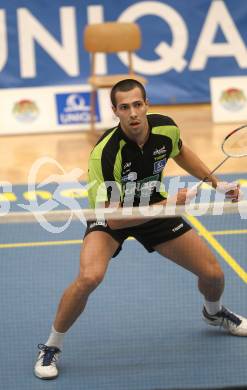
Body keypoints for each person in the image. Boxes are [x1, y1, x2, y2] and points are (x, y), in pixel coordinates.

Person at [34, 78, 247, 380]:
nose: (133, 113)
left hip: (154, 204)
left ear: (146, 104)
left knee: (213, 275)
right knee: (89, 277)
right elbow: (117, 220)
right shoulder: (107, 153)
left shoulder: (165, 129)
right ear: (115, 111)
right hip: (111, 214)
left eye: (137, 104)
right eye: (125, 107)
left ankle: (214, 312)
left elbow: (180, 151)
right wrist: (170, 203)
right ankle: (51, 345)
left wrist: (217, 184)